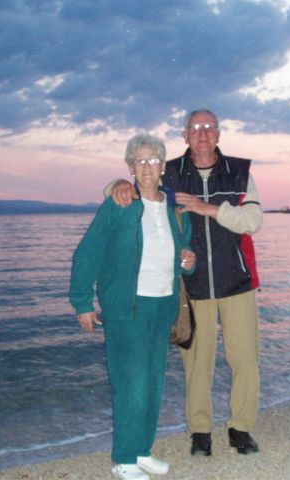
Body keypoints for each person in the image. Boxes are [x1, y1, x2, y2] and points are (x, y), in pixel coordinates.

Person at [110, 109, 263, 457]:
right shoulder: (172, 173)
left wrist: (209, 208)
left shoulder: (240, 171)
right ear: (185, 136)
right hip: (191, 286)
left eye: (209, 127)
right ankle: (200, 432)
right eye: (195, 128)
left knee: (245, 359)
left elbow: (253, 220)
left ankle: (241, 429)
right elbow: (139, 189)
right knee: (195, 364)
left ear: (218, 134)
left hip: (238, 282)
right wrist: (117, 185)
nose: (202, 133)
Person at [70, 133, 196, 480]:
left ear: (163, 166)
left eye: (153, 159)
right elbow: (88, 252)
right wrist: (82, 302)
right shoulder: (119, 203)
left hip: (163, 303)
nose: (147, 166)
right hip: (128, 307)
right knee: (132, 382)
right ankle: (124, 460)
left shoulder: (174, 209)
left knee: (153, 381)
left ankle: (142, 451)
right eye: (139, 160)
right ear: (130, 167)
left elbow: (185, 252)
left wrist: (188, 261)